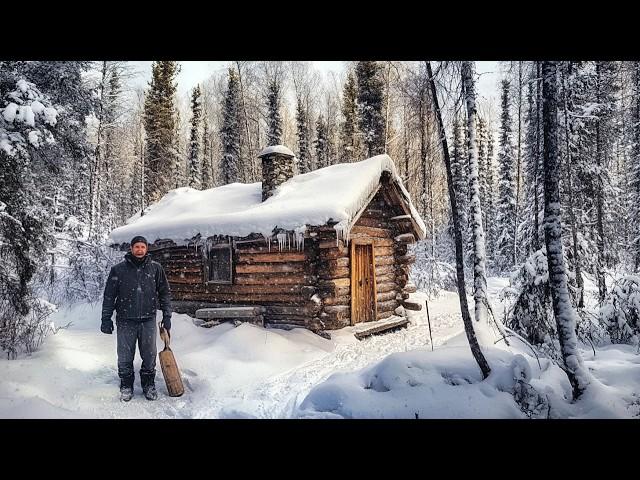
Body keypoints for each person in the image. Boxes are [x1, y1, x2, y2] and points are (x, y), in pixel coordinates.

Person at [100, 235, 172, 402]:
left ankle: (148, 384)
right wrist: (106, 318)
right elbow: (109, 296)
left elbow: (165, 293)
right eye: (136, 247)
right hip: (125, 319)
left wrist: (167, 315)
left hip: (148, 319)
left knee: (149, 354)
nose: (139, 250)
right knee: (125, 355)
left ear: (147, 249)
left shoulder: (155, 269)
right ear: (131, 249)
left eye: (143, 247)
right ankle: (126, 384)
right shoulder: (118, 270)